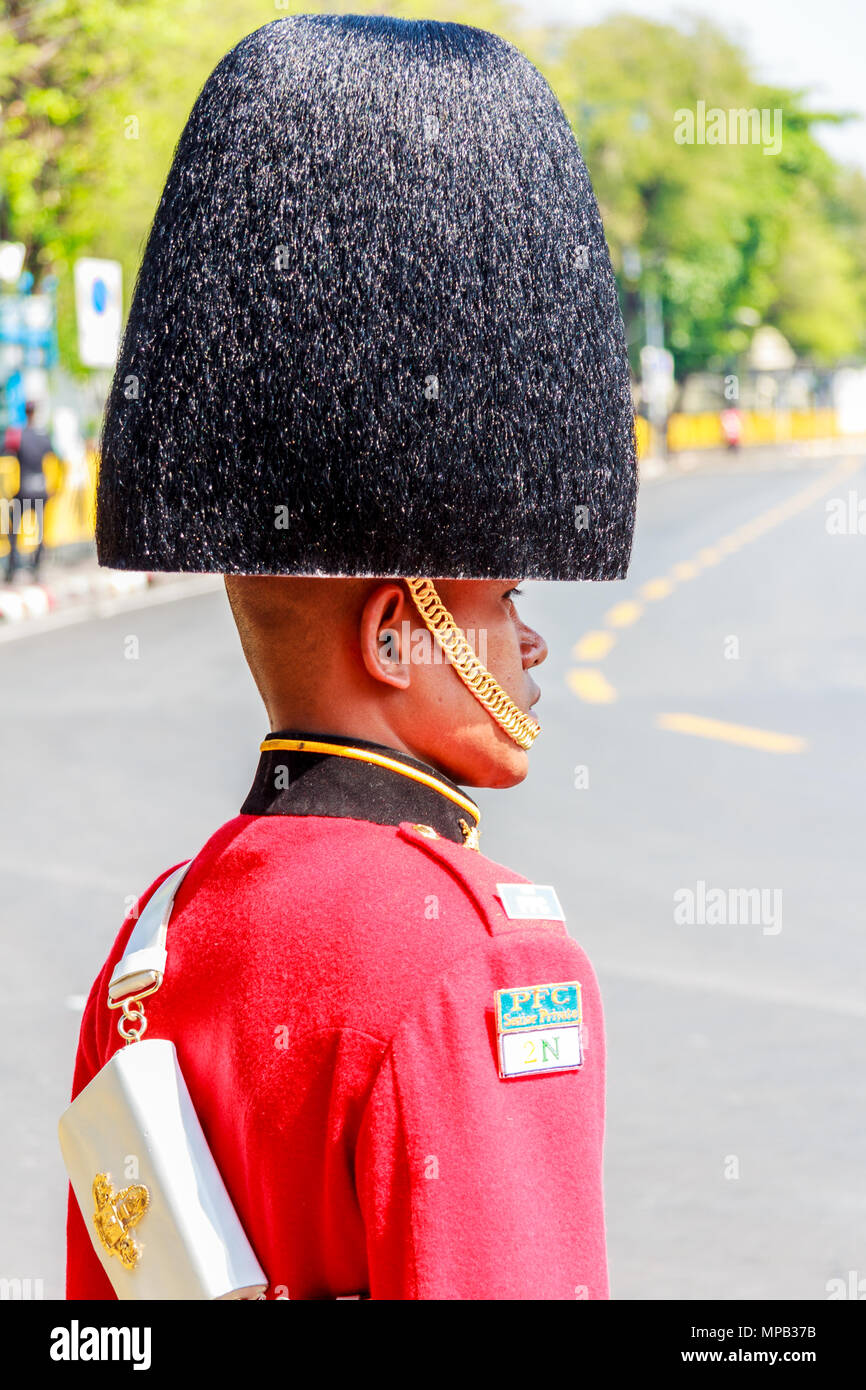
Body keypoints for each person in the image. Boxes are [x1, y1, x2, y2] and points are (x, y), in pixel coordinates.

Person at [65, 14, 637, 1300]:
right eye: (501, 594)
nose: (532, 640)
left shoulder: (153, 943)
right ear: (394, 631)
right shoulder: (485, 962)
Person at [3, 400, 53, 581]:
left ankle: (11, 568)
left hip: (24, 490)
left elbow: (5, 450)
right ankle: (37, 566)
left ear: (25, 412)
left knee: (14, 529)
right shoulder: (43, 435)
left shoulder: (18, 435)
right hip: (40, 489)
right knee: (40, 530)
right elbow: (53, 457)